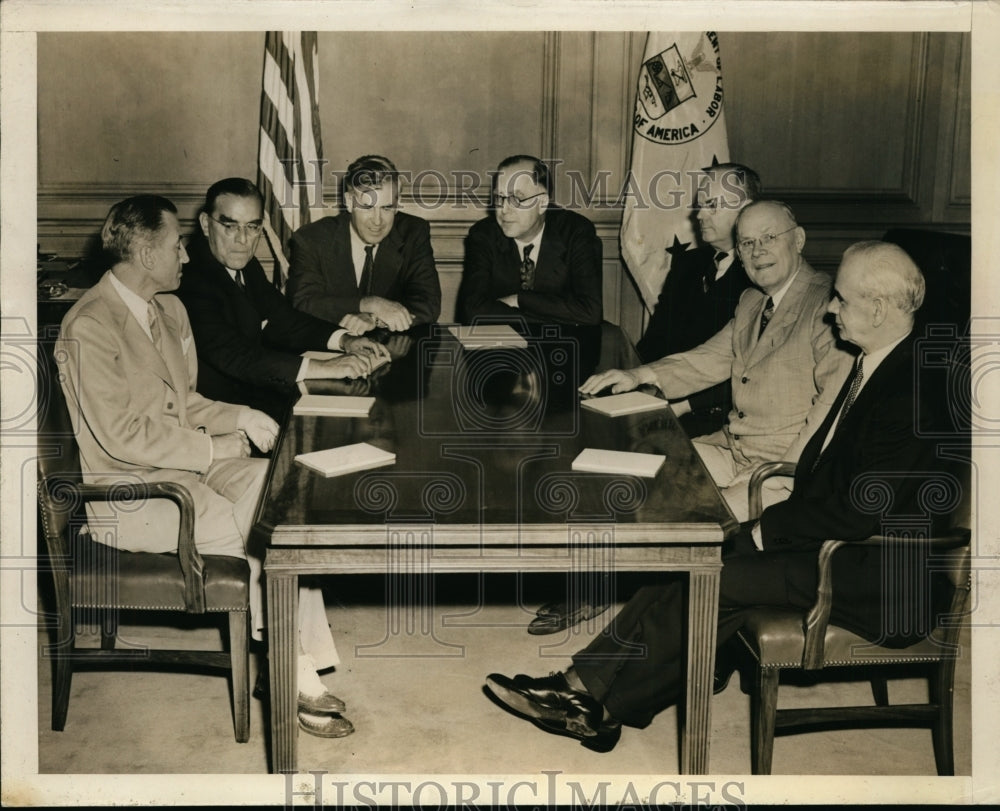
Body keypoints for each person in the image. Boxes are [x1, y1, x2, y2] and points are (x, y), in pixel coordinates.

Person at [486, 241, 953, 752]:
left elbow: (860, 510)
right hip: (835, 543)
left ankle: (593, 702)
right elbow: (833, 483)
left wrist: (761, 529)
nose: (830, 308)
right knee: (689, 558)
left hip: (877, 570)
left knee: (715, 577)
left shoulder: (913, 391)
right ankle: (586, 694)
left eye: (840, 299)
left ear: (879, 308)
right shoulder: (880, 361)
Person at [56, 195, 354, 739]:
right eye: (177, 246)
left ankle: (293, 656)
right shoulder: (89, 326)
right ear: (147, 254)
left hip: (185, 474)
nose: (187, 258)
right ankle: (292, 671)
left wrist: (243, 416)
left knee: (283, 498)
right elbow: (121, 436)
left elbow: (186, 401)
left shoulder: (168, 310)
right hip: (130, 497)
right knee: (258, 530)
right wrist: (216, 449)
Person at [581, 200, 853, 523]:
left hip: (784, 471)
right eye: (747, 243)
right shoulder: (752, 301)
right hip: (733, 453)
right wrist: (639, 375)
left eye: (769, 238)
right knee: (626, 464)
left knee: (684, 521)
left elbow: (833, 408)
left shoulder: (826, 305)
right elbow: (709, 359)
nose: (757, 252)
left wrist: (775, 474)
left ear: (798, 240)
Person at [176, 178, 387, 421]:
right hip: (221, 415)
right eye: (230, 226)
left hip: (256, 398)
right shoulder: (189, 277)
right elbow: (236, 355)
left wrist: (345, 340)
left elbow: (284, 319)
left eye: (253, 227)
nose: (243, 240)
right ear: (205, 224)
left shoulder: (244, 264)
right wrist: (326, 367)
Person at [635, 163, 760, 438]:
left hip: (719, 418)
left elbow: (751, 373)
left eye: (712, 205)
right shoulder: (688, 265)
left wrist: (680, 405)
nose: (699, 215)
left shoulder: (762, 276)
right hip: (661, 402)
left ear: (745, 211)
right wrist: (636, 381)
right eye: (700, 205)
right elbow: (655, 339)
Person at [286, 154, 441, 333]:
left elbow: (428, 302)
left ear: (397, 205)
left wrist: (374, 318)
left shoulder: (413, 232)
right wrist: (369, 304)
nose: (377, 221)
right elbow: (304, 301)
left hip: (393, 349)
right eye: (367, 207)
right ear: (349, 202)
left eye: (387, 208)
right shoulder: (312, 238)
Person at [458, 155, 603, 326]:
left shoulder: (576, 232)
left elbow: (590, 312)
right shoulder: (483, 235)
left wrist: (520, 299)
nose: (503, 210)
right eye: (499, 198)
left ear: (542, 203)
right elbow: (472, 312)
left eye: (516, 199)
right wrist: (550, 318)